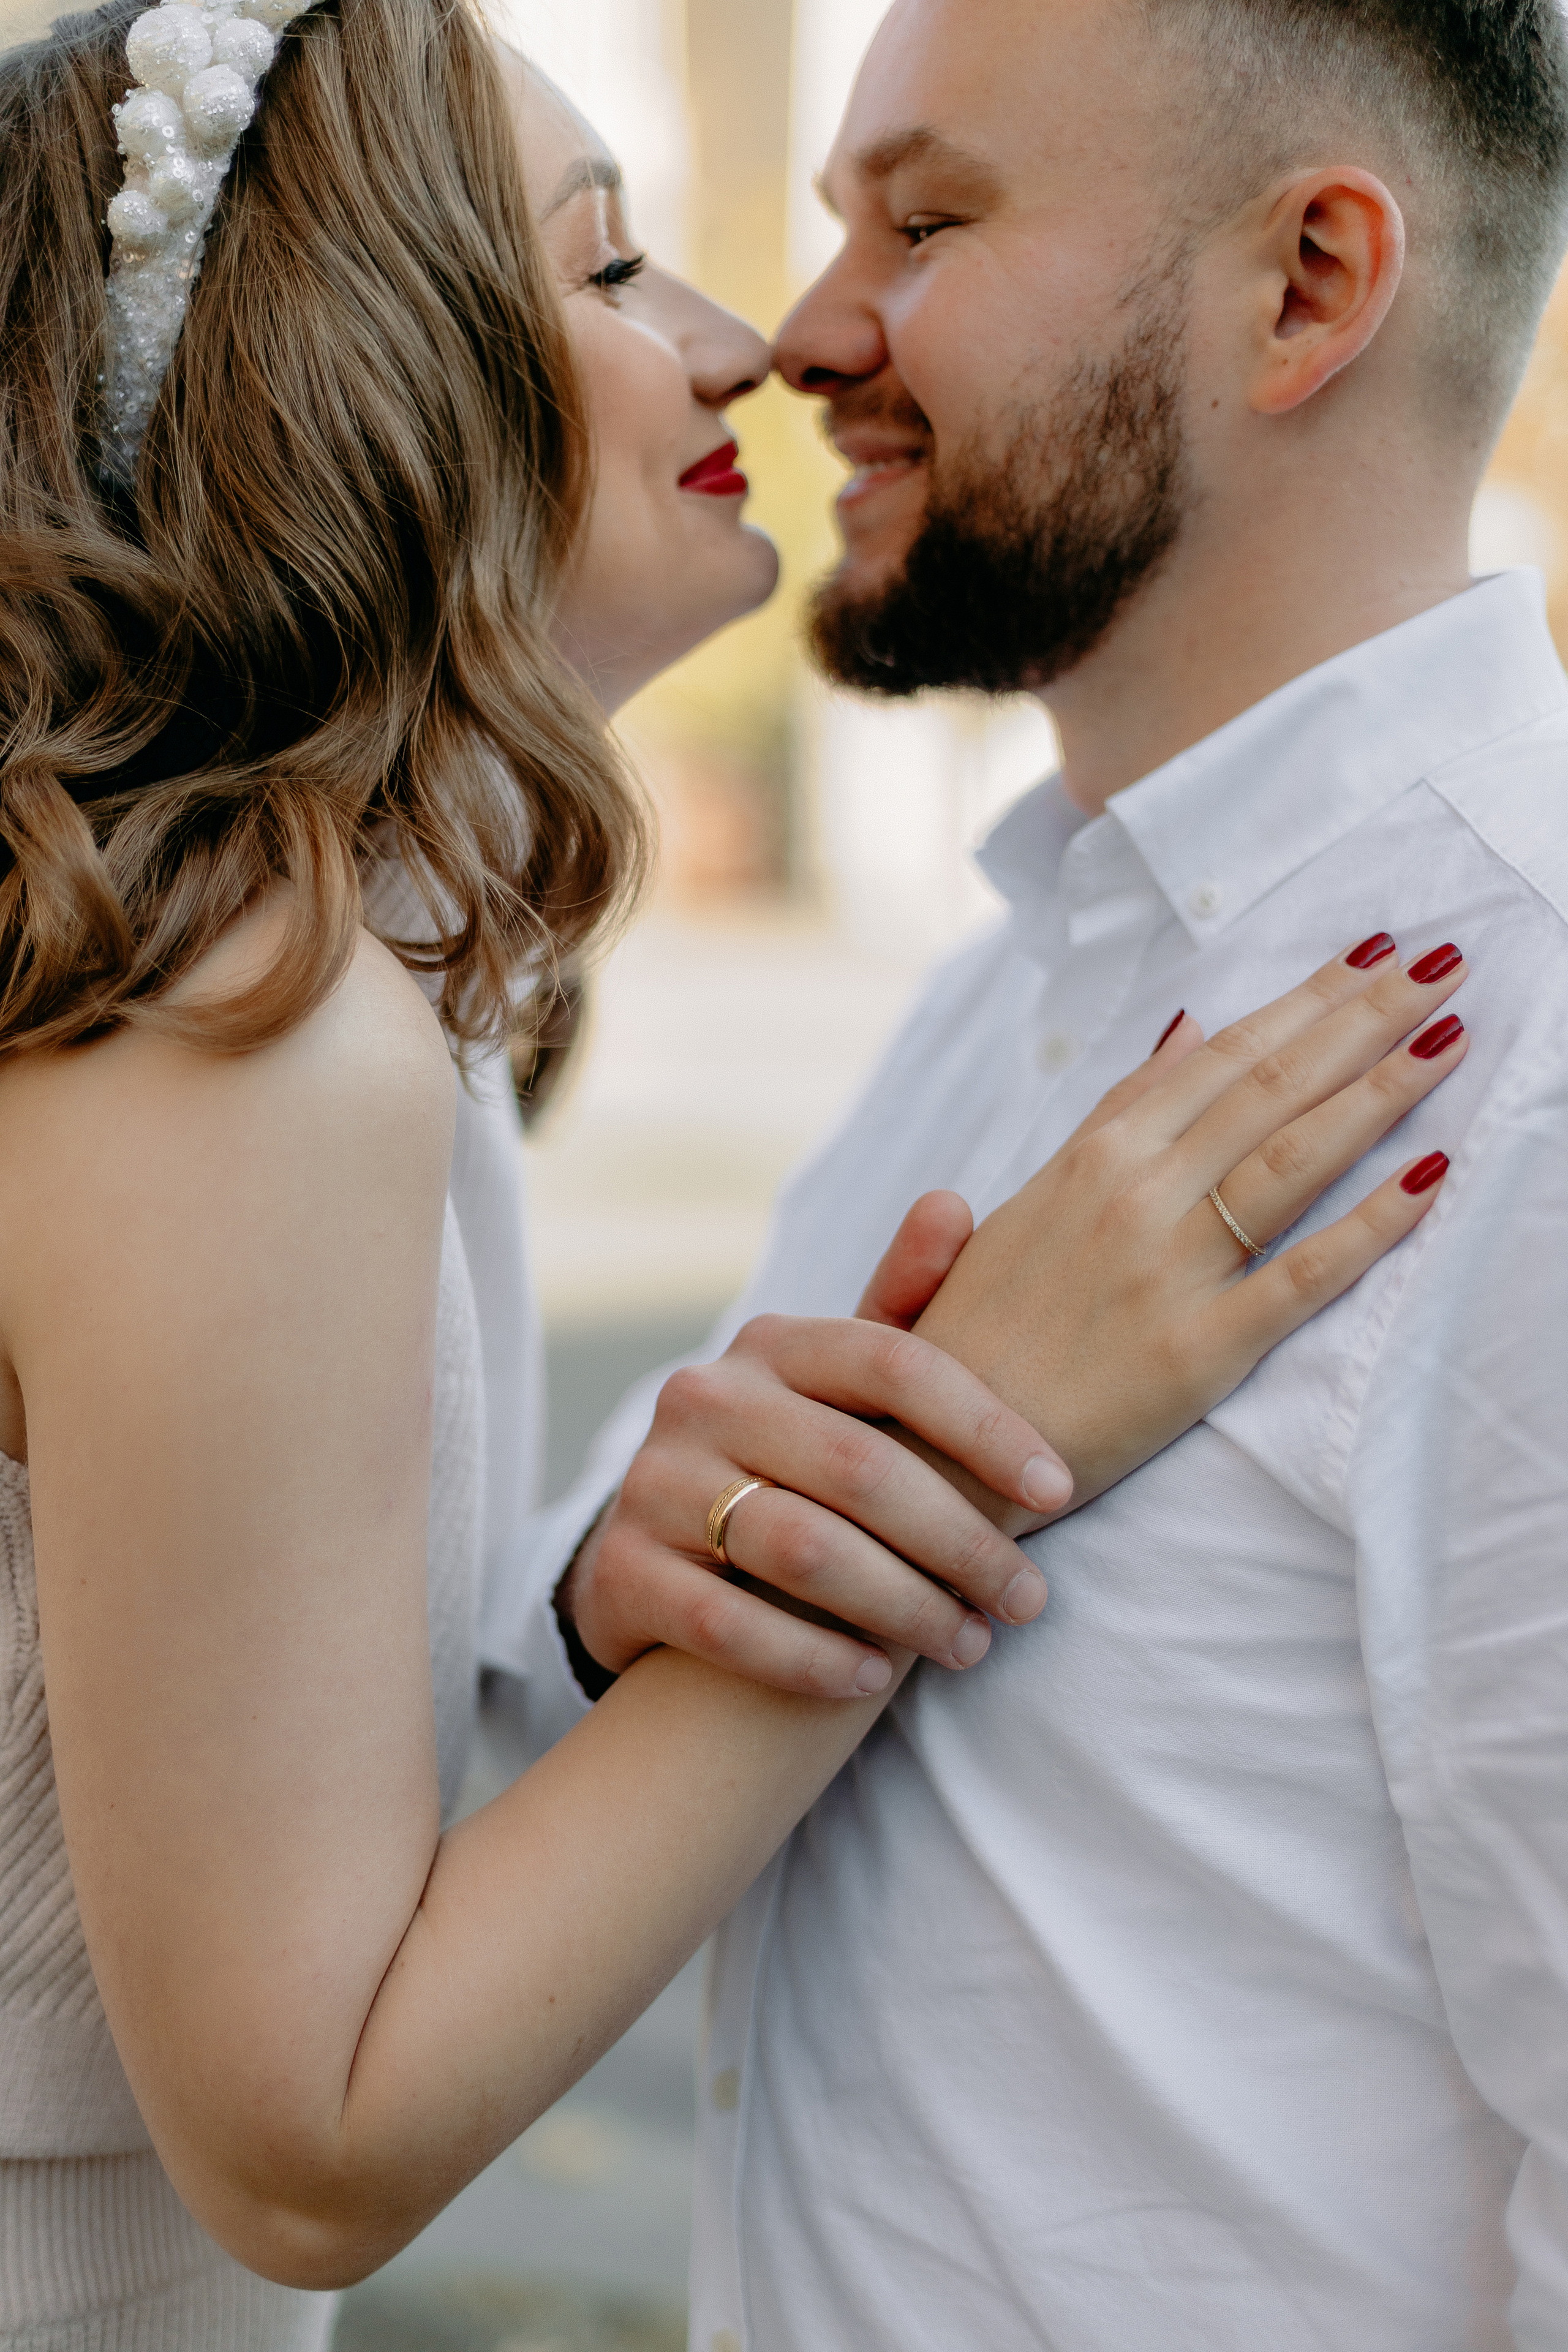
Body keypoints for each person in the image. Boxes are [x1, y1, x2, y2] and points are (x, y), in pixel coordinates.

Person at [0, 3, 1460, 2348]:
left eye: (930, 219)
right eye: (609, 273)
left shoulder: (310, 972)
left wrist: (617, 1604)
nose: (746, 346)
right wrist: (959, 1459)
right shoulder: (240, 1026)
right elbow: (310, 2141)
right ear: (358, 367)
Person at [491, 4, 1568, 2348]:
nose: (802, 332)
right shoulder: (1008, 988)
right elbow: (554, 1700)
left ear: (1305, 286)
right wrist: (622, 1580)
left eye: (931, 218)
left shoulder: (1535, 1061)